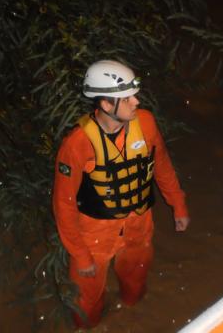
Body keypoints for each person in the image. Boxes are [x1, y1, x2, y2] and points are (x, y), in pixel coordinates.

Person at [53, 59, 190, 328]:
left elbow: (162, 165)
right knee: (86, 300)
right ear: (105, 104)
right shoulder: (77, 145)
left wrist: (178, 205)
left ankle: (132, 315)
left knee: (135, 281)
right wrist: (80, 254)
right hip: (94, 233)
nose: (136, 102)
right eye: (127, 98)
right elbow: (63, 205)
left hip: (138, 223)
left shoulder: (147, 124)